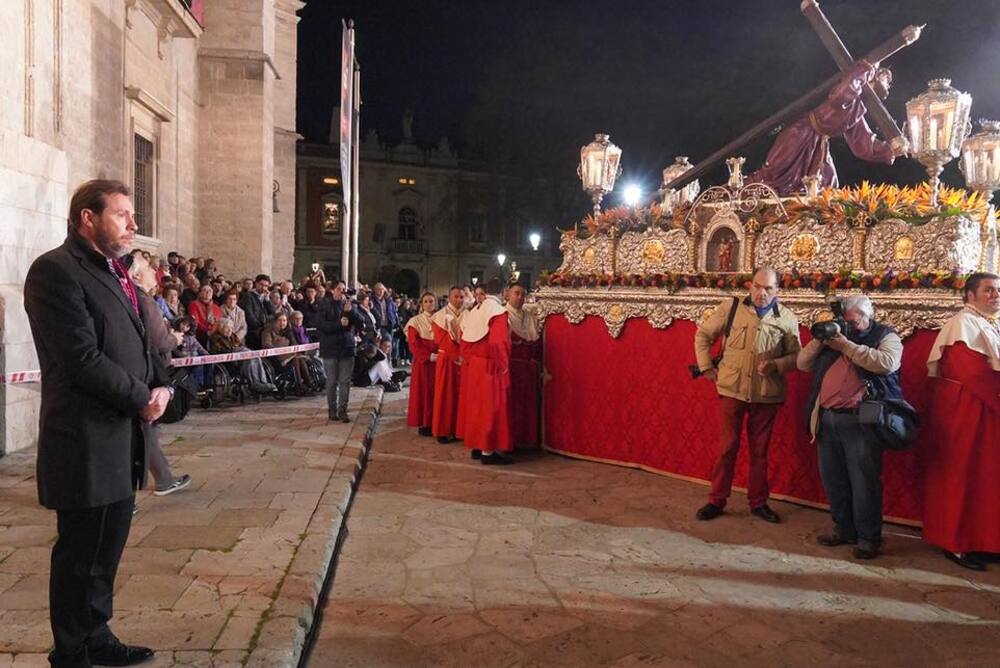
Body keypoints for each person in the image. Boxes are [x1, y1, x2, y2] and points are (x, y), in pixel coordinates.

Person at [23, 179, 170, 667]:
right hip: (84, 438)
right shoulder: (55, 272)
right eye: (122, 214)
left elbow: (140, 343)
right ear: (88, 217)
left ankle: (96, 633)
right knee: (79, 553)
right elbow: (81, 358)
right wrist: (140, 398)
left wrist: (162, 387)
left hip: (121, 434)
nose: (133, 224)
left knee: (107, 549)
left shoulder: (115, 272)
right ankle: (70, 651)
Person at [797, 296, 904, 560]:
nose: (848, 326)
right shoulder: (834, 335)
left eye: (853, 321)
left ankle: (868, 537)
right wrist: (820, 338)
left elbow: (886, 363)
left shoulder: (885, 335)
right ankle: (843, 528)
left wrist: (846, 345)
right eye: (844, 321)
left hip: (861, 421)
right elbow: (802, 363)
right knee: (834, 479)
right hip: (827, 418)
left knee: (863, 481)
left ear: (867, 317)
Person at [693, 267, 801, 523]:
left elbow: (798, 357)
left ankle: (758, 503)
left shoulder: (786, 318)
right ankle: (716, 500)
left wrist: (777, 365)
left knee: (760, 452)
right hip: (733, 390)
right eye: (757, 286)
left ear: (778, 291)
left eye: (768, 288)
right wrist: (706, 366)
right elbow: (703, 335)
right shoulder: (731, 308)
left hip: (767, 395)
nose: (762, 293)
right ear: (750, 286)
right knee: (727, 448)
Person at [924, 272, 1000, 571]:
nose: (995, 295)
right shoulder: (962, 325)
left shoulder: (988, 323)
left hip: (985, 414)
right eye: (989, 290)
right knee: (961, 477)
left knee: (984, 481)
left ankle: (984, 540)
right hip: (967, 414)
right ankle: (955, 543)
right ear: (970, 295)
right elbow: (972, 373)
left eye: (998, 291)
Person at [748, 60, 908, 195]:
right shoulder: (849, 92)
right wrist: (861, 71)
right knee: (774, 170)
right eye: (883, 80)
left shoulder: (858, 109)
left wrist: (889, 150)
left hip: (820, 144)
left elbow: (863, 142)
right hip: (800, 133)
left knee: (827, 187)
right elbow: (838, 97)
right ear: (871, 80)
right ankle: (743, 191)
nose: (886, 86)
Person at [127, 255, 193, 498]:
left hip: (142, 369)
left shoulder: (133, 296)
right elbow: (158, 339)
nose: (155, 272)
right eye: (148, 268)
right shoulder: (142, 300)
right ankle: (128, 492)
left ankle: (163, 478)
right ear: (136, 275)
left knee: (147, 430)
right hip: (147, 370)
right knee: (142, 429)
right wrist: (174, 339)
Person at [457, 278, 513, 465]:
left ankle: (477, 446)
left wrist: (470, 361)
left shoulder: (476, 310)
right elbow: (499, 343)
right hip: (491, 366)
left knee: (476, 408)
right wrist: (503, 366)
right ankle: (488, 452)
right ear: (504, 291)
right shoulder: (498, 312)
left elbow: (464, 340)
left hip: (474, 366)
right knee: (490, 409)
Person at [317, 282, 364, 422]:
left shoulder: (350, 305)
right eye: (339, 289)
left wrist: (351, 311)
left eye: (344, 290)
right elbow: (321, 325)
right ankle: (332, 409)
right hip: (330, 348)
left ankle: (343, 410)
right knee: (331, 381)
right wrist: (339, 324)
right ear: (332, 290)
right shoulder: (324, 305)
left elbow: (361, 322)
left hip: (346, 348)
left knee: (345, 381)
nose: (342, 292)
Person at [506, 283, 542, 448]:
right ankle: (511, 441)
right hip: (511, 369)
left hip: (528, 369)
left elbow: (534, 340)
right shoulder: (502, 315)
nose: (520, 297)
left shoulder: (528, 315)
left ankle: (526, 440)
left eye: (523, 294)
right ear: (508, 294)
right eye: (516, 293)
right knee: (512, 407)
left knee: (527, 406)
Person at [431, 287, 466, 444]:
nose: (459, 299)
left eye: (462, 297)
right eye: (456, 296)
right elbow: (440, 339)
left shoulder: (468, 315)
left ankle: (460, 429)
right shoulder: (439, 316)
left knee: (462, 396)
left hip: (463, 361)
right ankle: (443, 430)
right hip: (446, 360)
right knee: (445, 394)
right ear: (450, 298)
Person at [406, 292, 439, 437]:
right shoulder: (415, 321)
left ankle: (437, 422)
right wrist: (428, 356)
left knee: (438, 393)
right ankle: (425, 423)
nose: (429, 304)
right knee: (424, 393)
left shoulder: (441, 319)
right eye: (426, 301)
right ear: (421, 304)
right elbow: (414, 345)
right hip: (423, 364)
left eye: (432, 301)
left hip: (439, 362)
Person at [238, 273, 274, 349]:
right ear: (256, 283)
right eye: (261, 284)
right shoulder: (248, 296)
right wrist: (264, 323)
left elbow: (273, 314)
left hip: (263, 331)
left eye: (266, 286)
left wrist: (267, 300)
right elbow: (249, 317)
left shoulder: (265, 297)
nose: (264, 288)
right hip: (253, 333)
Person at [370, 282, 399, 351]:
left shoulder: (388, 300)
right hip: (378, 326)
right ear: (375, 290)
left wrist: (394, 320)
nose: (381, 291)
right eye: (379, 289)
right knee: (385, 342)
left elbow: (393, 311)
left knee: (389, 345)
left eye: (382, 289)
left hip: (389, 325)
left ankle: (388, 360)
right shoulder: (371, 300)